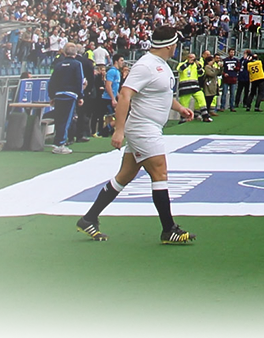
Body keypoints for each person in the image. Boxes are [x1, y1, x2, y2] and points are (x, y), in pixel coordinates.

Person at [74, 25, 197, 245]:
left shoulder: (161, 66)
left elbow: (162, 96)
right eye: (176, 43)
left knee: (124, 176)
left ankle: (89, 218)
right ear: (169, 45)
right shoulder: (146, 66)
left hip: (149, 127)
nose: (178, 46)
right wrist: (119, 130)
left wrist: (180, 109)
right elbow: (125, 95)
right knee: (159, 172)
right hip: (143, 127)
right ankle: (169, 228)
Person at [47, 42, 89, 154]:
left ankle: (58, 141)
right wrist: (81, 96)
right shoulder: (76, 64)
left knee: (59, 119)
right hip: (70, 95)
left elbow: (52, 81)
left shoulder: (59, 65)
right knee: (66, 120)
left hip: (59, 94)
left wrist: (52, 96)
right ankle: (60, 143)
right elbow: (79, 80)